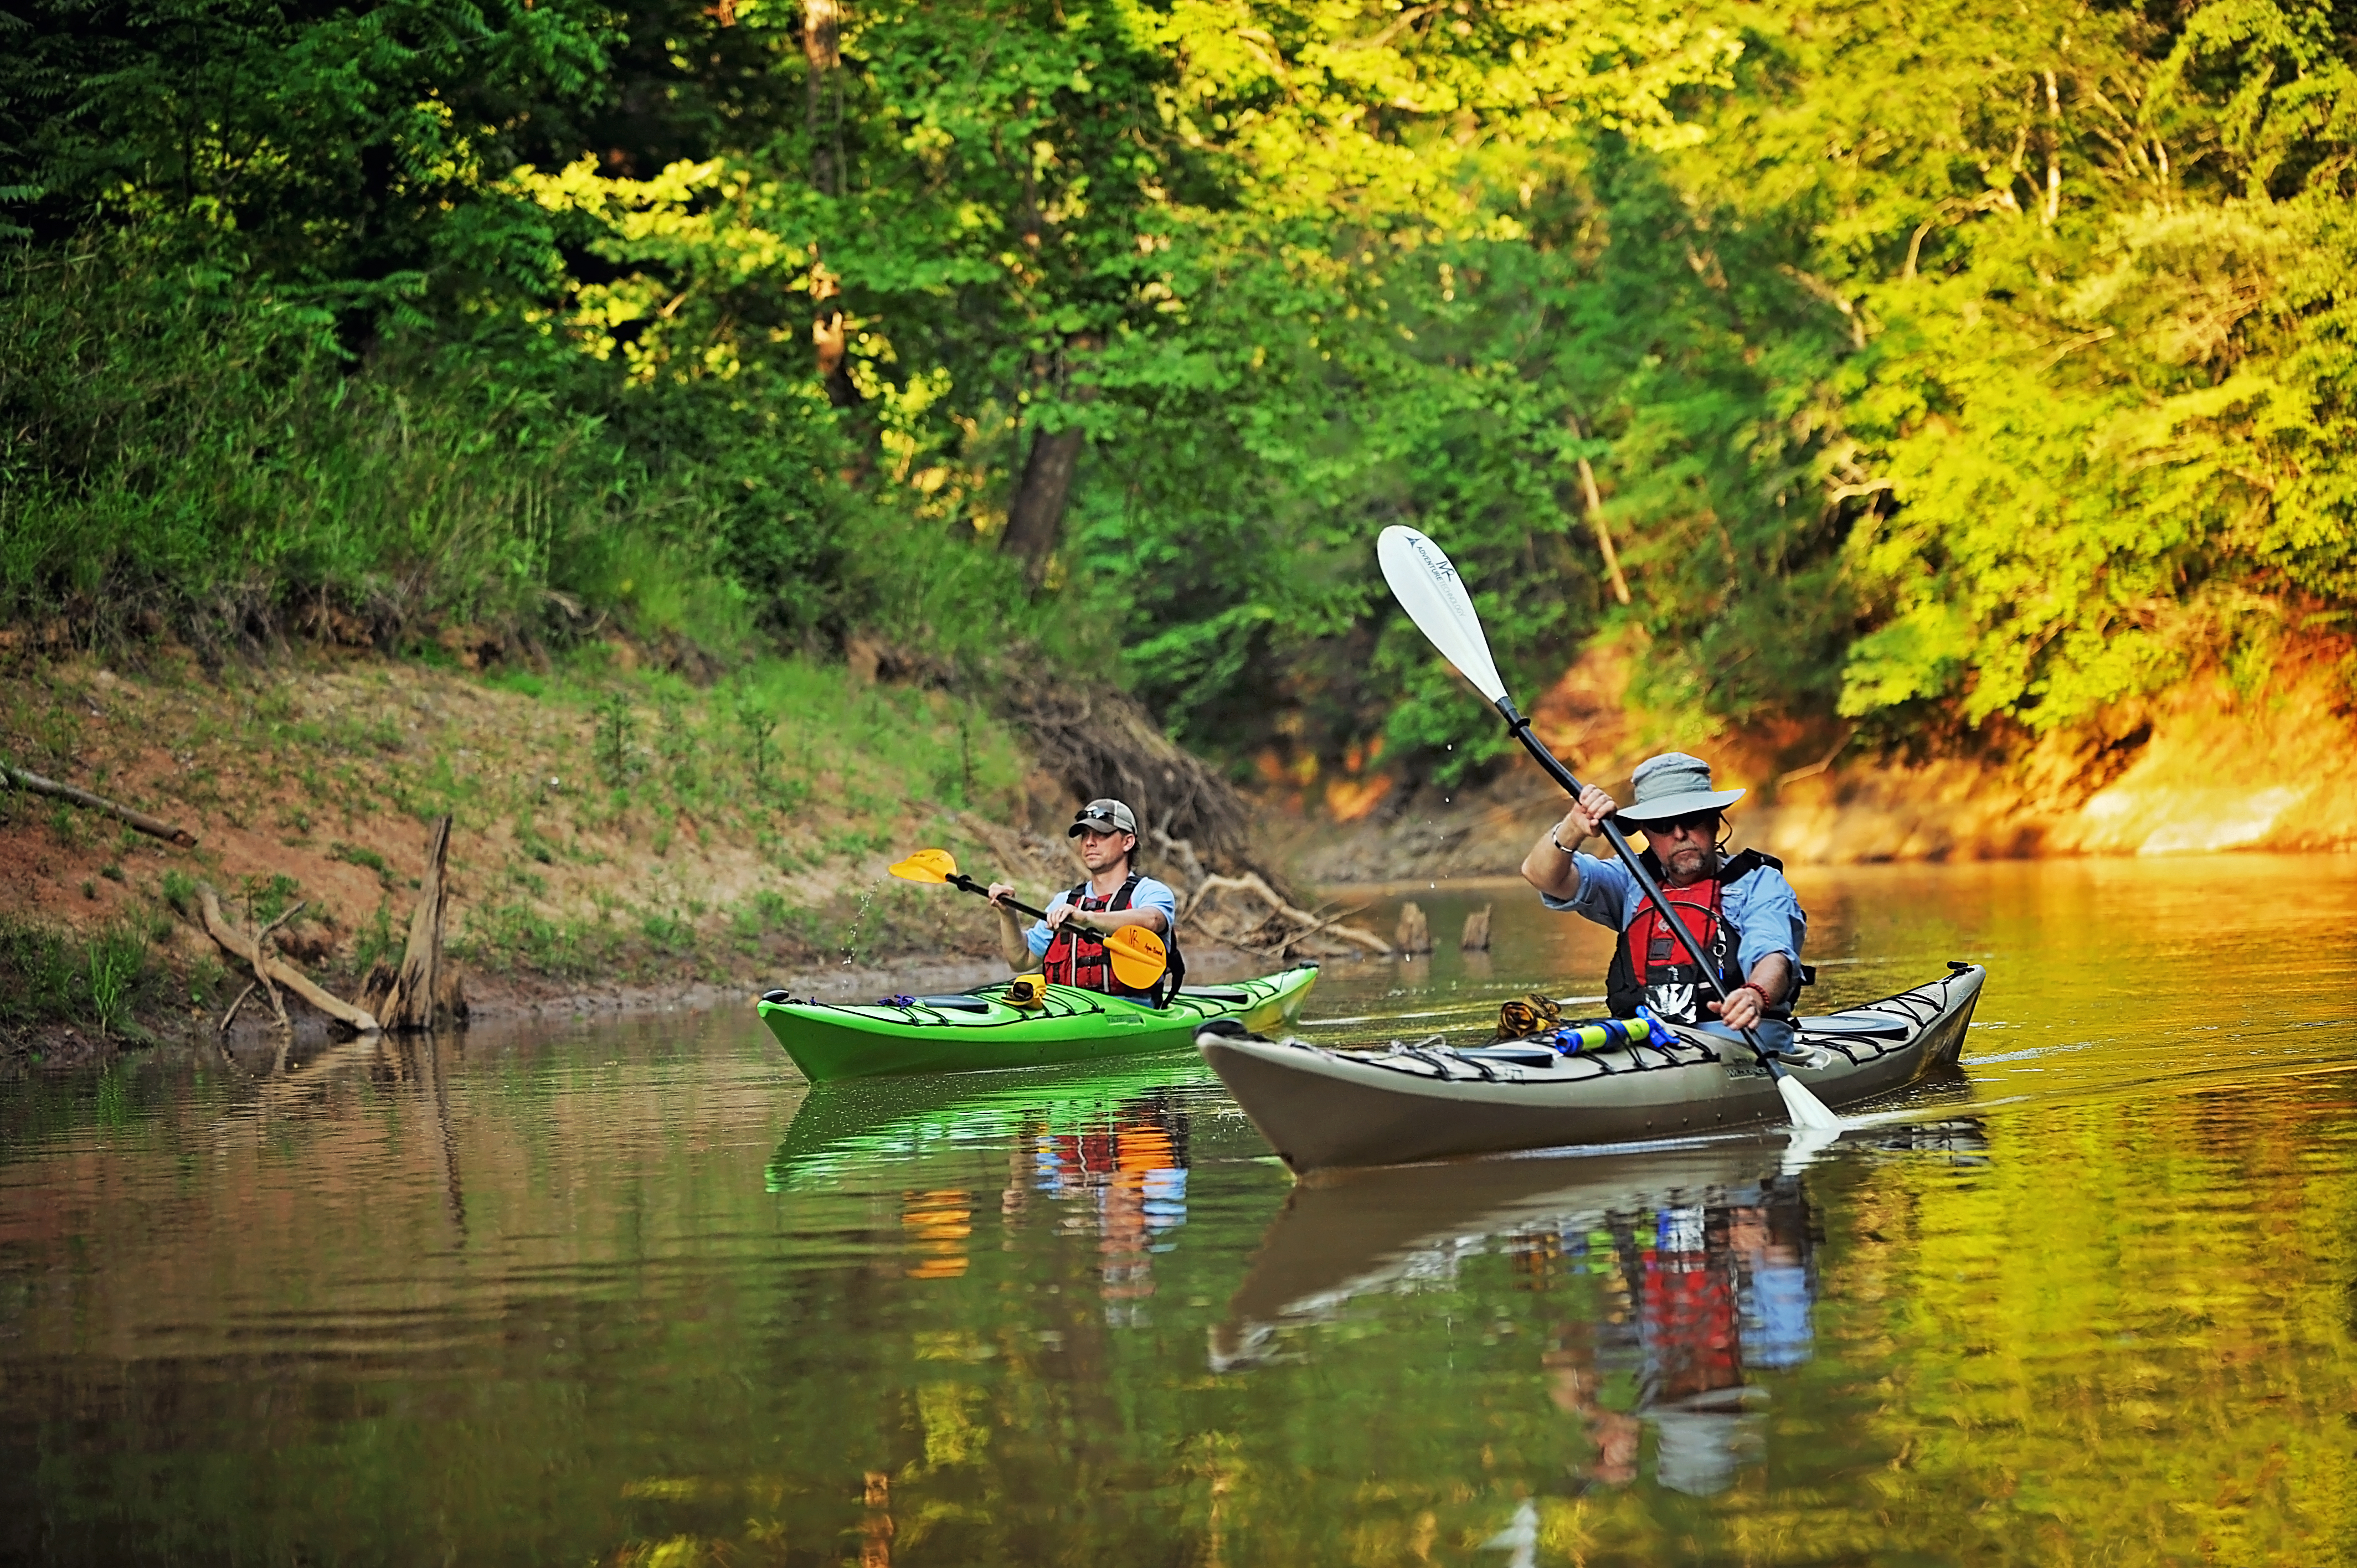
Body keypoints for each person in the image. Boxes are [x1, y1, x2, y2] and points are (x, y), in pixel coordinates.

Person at [1519, 752, 1808, 1055]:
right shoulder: (1630, 881)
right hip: (1647, 1038)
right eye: (1663, 825)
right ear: (1646, 832)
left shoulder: (1759, 883)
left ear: (1716, 822)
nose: (1680, 834)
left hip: (1739, 1041)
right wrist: (1573, 828)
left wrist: (1755, 994)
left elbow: (1773, 954)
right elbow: (1540, 876)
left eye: (1693, 819)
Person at [988, 798, 1180, 1001]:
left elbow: (1152, 920)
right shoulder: (1065, 901)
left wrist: (1087, 919)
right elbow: (1022, 960)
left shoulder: (1150, 892)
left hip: (1133, 1013)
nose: (1089, 842)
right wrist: (1007, 914)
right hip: (1066, 1011)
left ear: (1128, 842)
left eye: (1102, 834)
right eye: (1085, 835)